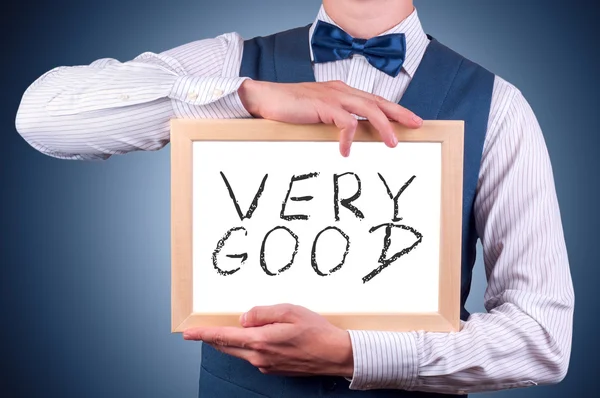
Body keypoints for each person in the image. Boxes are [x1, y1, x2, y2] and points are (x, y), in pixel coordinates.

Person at [15, 0, 574, 397]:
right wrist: (246, 97)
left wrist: (358, 354)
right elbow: (43, 115)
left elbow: (542, 338)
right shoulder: (233, 64)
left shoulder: (499, 105)